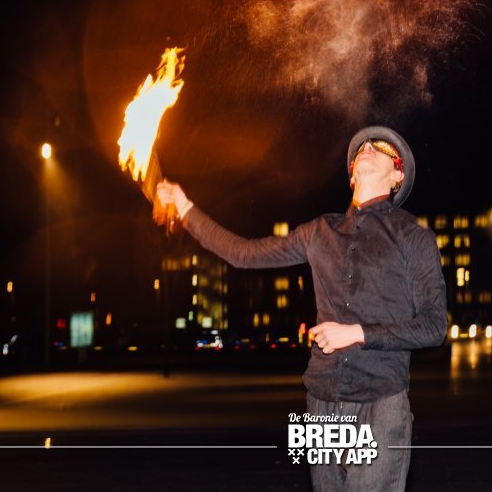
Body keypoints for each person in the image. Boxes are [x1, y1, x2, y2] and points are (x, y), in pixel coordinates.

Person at [155, 125, 447, 492]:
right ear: (351, 175)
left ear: (396, 177)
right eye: (362, 148)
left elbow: (434, 326)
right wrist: (184, 207)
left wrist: (358, 334)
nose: (368, 149)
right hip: (321, 402)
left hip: (380, 402)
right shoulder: (319, 231)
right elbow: (244, 253)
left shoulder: (415, 237)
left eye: (382, 149)